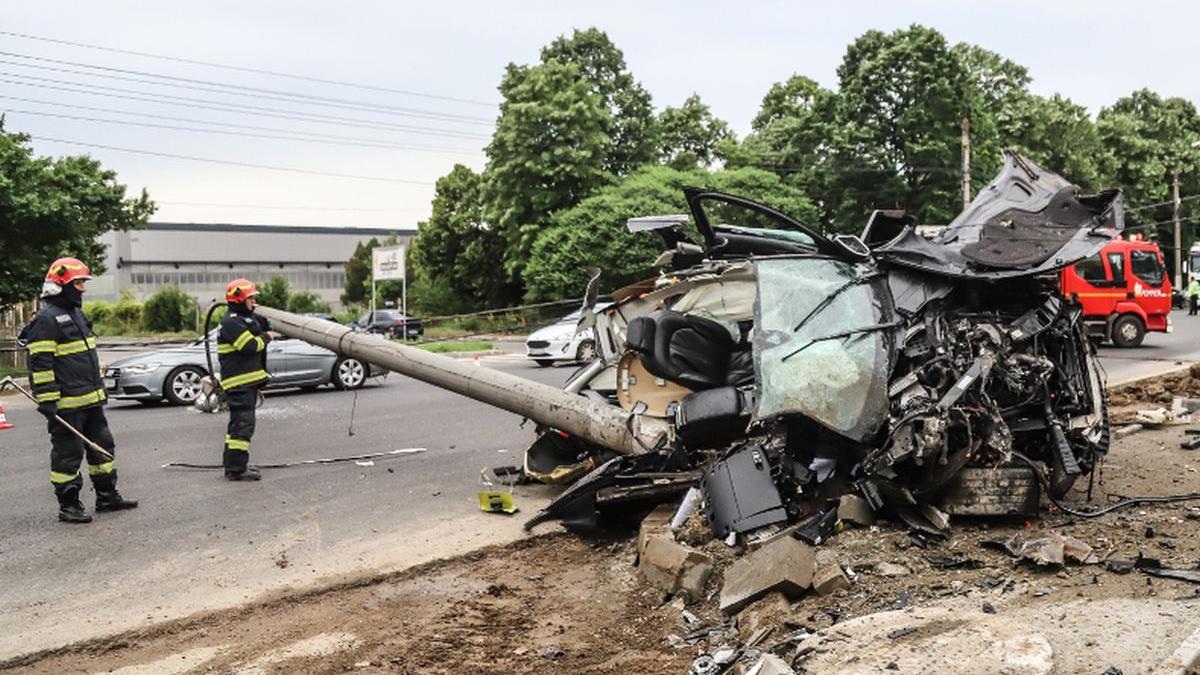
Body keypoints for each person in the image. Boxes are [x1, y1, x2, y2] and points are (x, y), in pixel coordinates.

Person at [24, 257, 138, 523]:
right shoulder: (46, 320)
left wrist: (99, 390)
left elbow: (86, 358)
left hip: (91, 400)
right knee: (68, 455)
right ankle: (69, 505)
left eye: (83, 283)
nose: (83, 289)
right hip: (66, 405)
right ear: (60, 285)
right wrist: (49, 400)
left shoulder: (76, 315)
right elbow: (40, 363)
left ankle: (107, 497)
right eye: (78, 283)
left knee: (103, 447)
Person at [217, 278, 272, 481]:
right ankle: (237, 469)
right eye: (250, 298)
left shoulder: (239, 319)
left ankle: (233, 464)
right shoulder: (231, 322)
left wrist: (260, 324)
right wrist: (266, 337)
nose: (253, 302)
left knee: (237, 426)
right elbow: (249, 346)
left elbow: (253, 327)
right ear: (240, 299)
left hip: (244, 384)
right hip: (239, 384)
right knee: (243, 425)